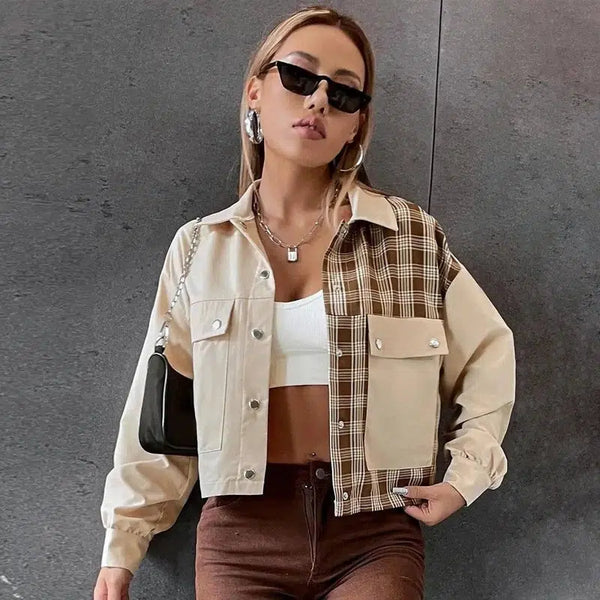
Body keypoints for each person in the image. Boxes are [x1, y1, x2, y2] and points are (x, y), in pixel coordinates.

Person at [94, 5, 516, 600]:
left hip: (374, 528)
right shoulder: (199, 248)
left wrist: (466, 477)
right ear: (256, 92)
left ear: (355, 126)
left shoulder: (410, 238)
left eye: (343, 93)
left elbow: (490, 353)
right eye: (298, 76)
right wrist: (122, 548)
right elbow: (159, 403)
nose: (318, 100)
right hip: (241, 533)